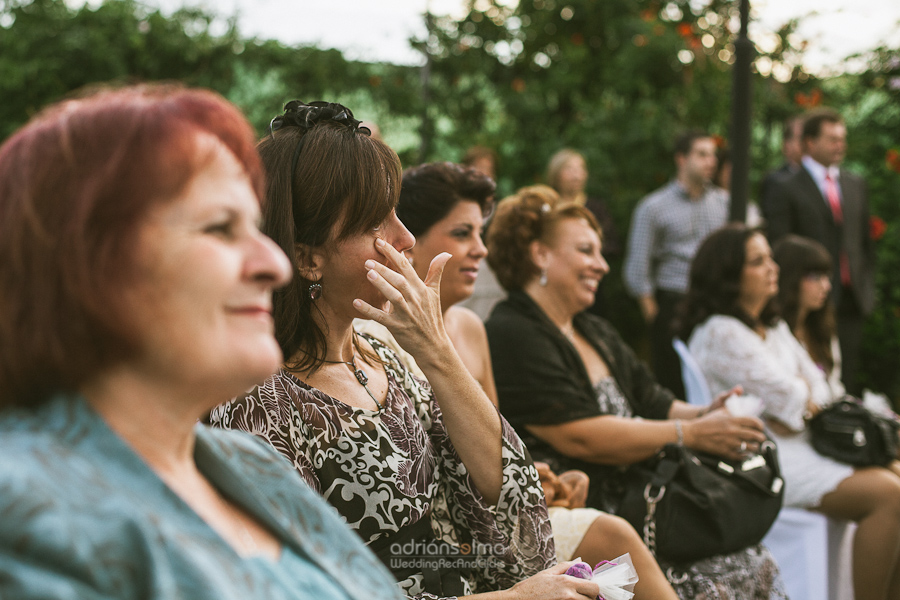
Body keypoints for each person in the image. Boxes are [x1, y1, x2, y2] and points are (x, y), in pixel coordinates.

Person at [0, 85, 406, 600]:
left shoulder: (247, 465)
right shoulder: (27, 507)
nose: (275, 264)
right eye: (220, 227)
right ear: (87, 267)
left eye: (255, 227)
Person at [207, 102, 598, 600]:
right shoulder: (256, 400)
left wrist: (436, 351)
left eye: (398, 214)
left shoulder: (385, 359)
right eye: (375, 224)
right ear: (308, 258)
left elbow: (522, 532)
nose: (405, 238)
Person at [384, 161, 679, 600]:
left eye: (481, 234)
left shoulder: (472, 327)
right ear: (410, 240)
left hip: (502, 511)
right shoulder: (382, 335)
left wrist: (543, 477)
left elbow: (499, 446)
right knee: (615, 535)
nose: (480, 250)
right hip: (448, 532)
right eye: (462, 234)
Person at [484, 186, 783, 600]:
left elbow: (655, 402)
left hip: (645, 499)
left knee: (755, 557)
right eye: (587, 251)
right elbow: (577, 435)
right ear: (540, 255)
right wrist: (688, 434)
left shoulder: (593, 328)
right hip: (597, 504)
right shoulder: (512, 330)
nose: (602, 266)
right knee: (723, 574)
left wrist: (707, 415)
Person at [682, 224, 900, 600]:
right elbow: (796, 401)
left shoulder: (772, 327)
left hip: (800, 445)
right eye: (758, 261)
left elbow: (818, 392)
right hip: (763, 459)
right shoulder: (721, 332)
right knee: (889, 496)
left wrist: (799, 394)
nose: (773, 268)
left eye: (770, 258)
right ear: (730, 274)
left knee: (896, 472)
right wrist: (799, 394)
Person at [762, 109, 875, 396]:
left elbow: (864, 242)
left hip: (852, 297)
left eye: (842, 138)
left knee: (843, 375)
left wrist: (866, 286)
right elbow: (781, 246)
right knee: (809, 373)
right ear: (809, 143)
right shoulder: (784, 187)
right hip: (806, 298)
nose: (840, 145)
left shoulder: (855, 184)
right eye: (832, 139)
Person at [623, 131, 728, 398]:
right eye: (702, 154)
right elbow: (637, 265)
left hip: (717, 304)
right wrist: (654, 315)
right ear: (681, 159)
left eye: (713, 155)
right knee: (672, 385)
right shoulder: (653, 206)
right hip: (673, 304)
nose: (711, 162)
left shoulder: (724, 205)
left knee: (714, 383)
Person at [546, 148, 622, 318]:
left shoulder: (597, 208)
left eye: (580, 169)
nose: (576, 175)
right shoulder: (548, 208)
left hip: (592, 287)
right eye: (569, 169)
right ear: (556, 174)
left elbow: (613, 245)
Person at [759, 116, 804, 206]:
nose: (807, 143)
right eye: (801, 138)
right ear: (786, 145)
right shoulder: (775, 180)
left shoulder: (820, 177)